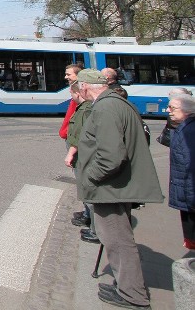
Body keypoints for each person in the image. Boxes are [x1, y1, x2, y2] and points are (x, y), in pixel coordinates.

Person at [75, 69, 164, 309]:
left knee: (116, 240)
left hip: (111, 188)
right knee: (118, 238)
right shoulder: (118, 103)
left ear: (85, 87)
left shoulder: (105, 108)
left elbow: (111, 157)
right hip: (120, 185)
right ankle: (126, 286)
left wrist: (90, 178)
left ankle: (132, 294)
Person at [64, 82, 96, 240]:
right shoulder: (86, 108)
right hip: (83, 155)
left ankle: (95, 229)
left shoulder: (86, 109)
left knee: (89, 191)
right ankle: (90, 219)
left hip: (84, 156)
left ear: (78, 93)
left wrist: (71, 152)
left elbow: (80, 134)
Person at [166, 92, 195, 251]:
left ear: (187, 111)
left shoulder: (189, 132)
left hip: (189, 198)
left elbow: (191, 167)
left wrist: (190, 201)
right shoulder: (183, 128)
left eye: (172, 108)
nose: (168, 110)